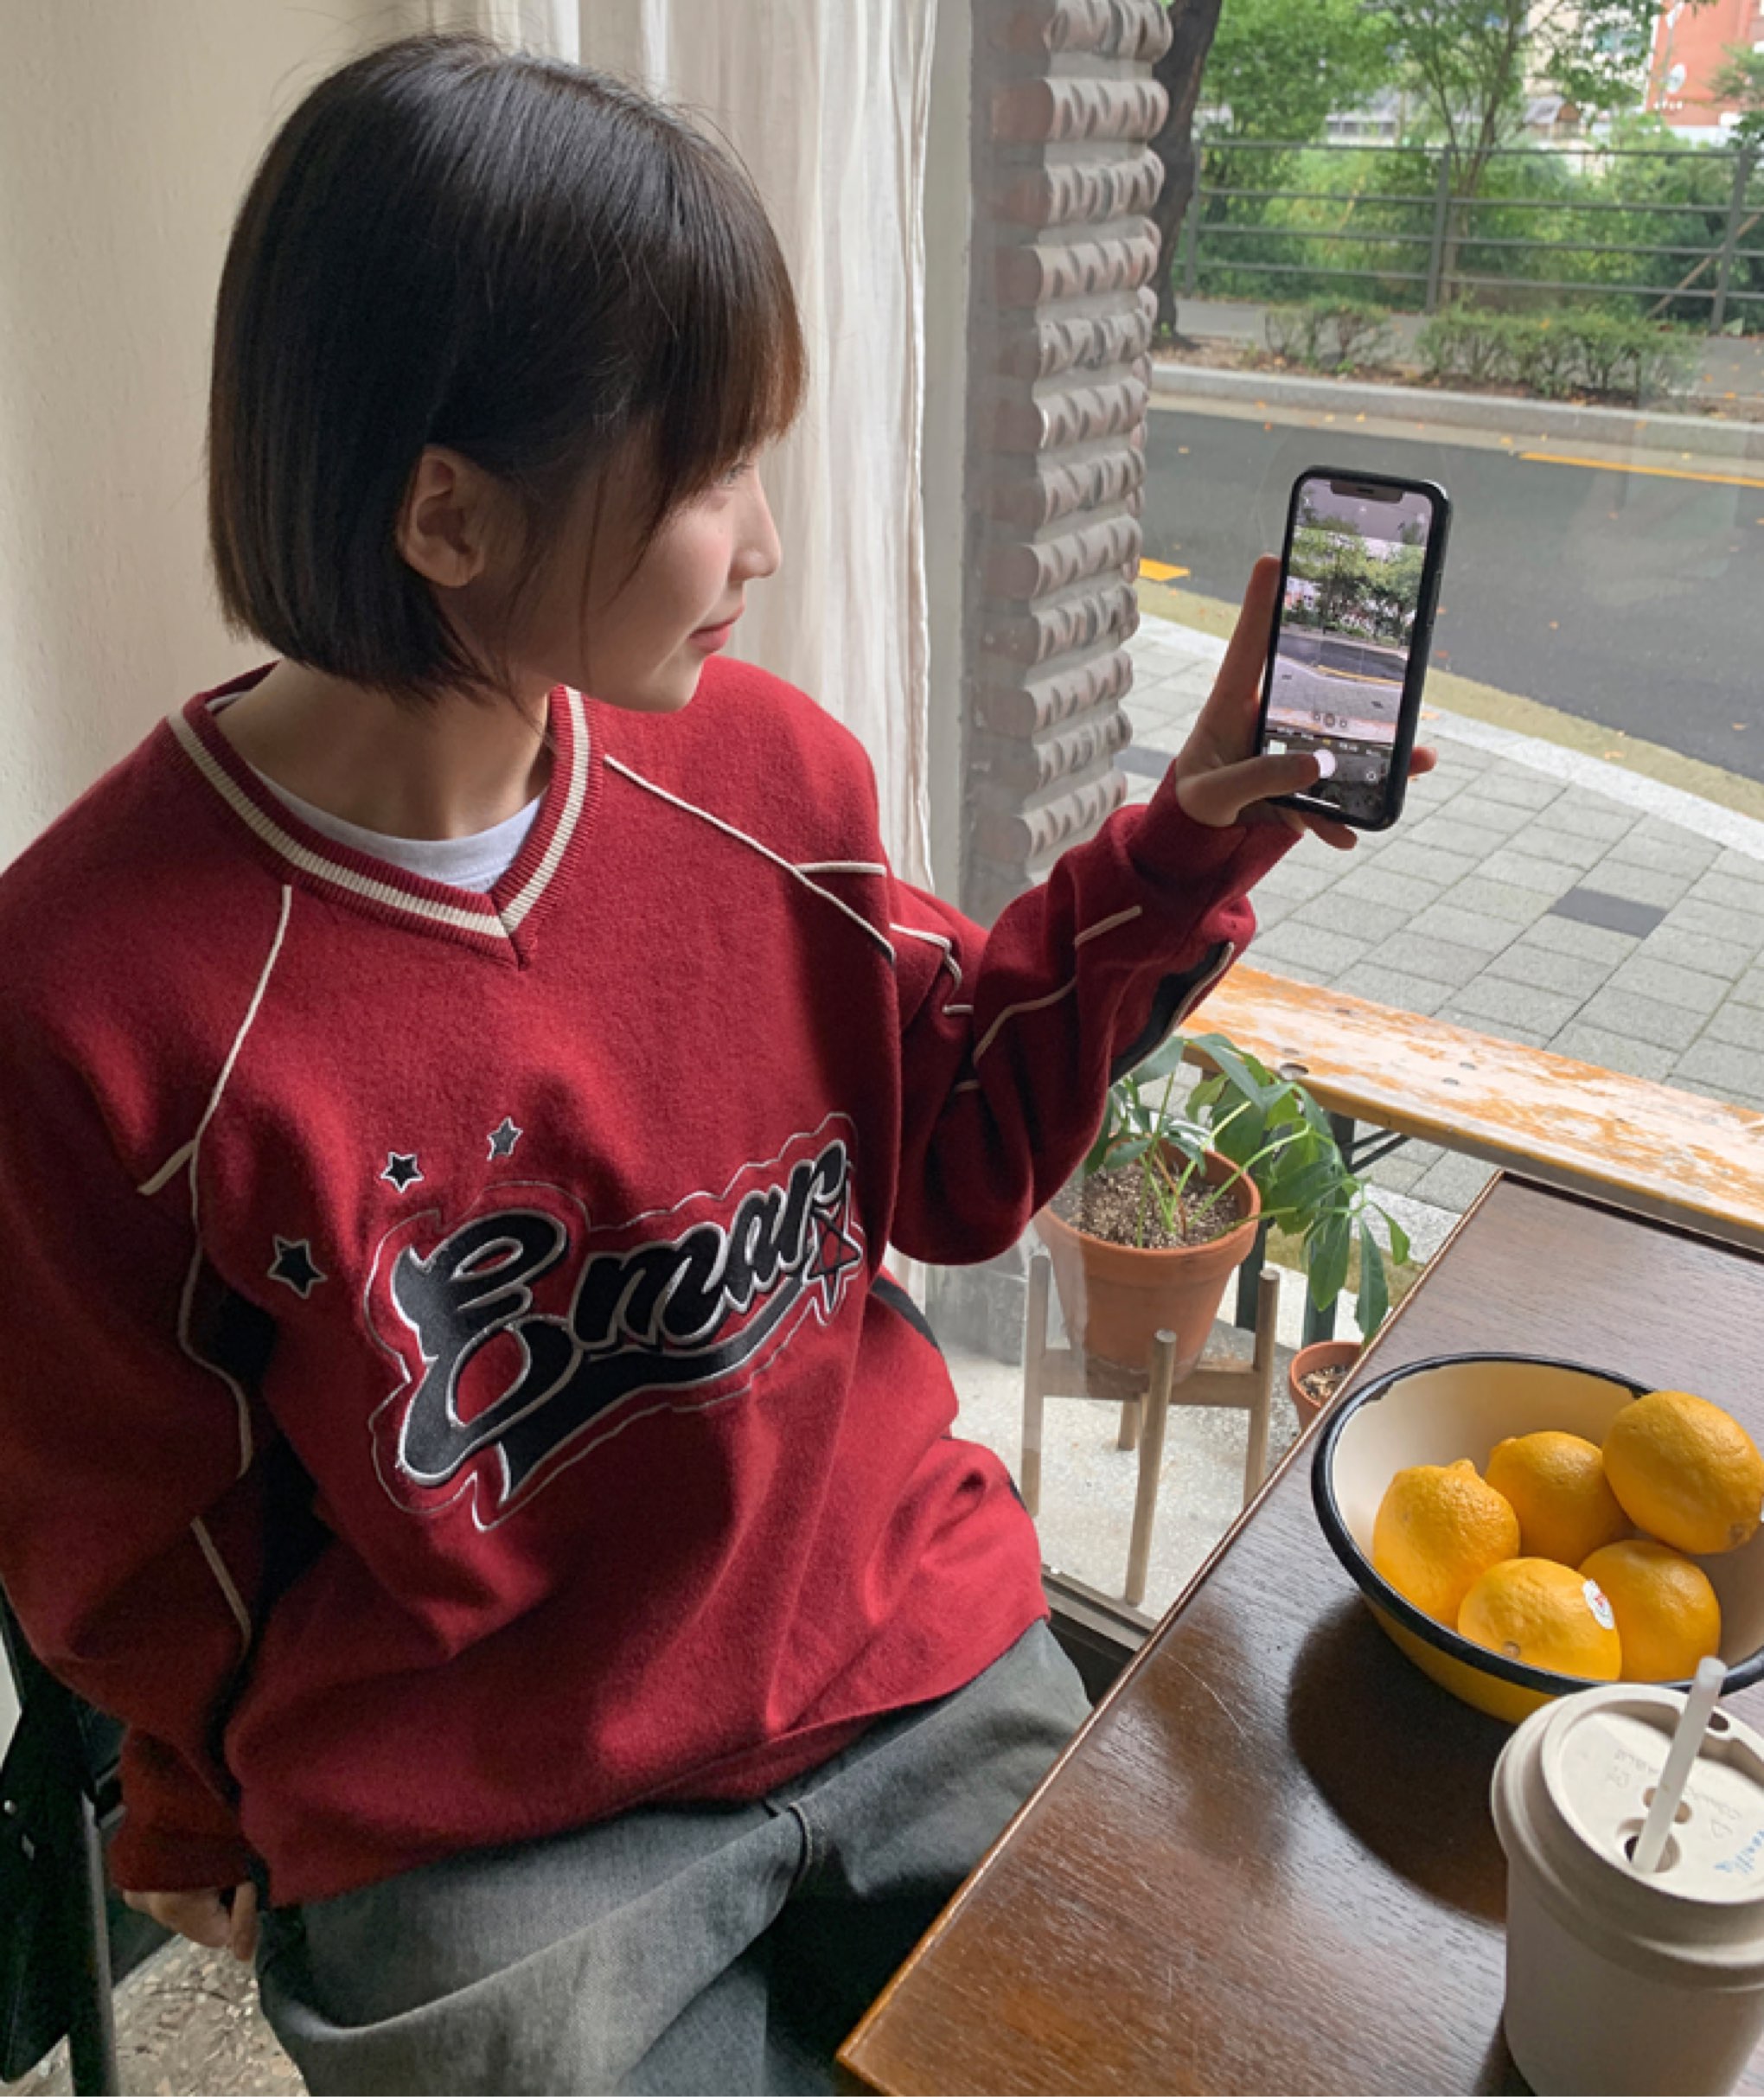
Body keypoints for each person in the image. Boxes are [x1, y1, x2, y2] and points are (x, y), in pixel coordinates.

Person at [0, 30, 1432, 2096]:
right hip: (487, 1813)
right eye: (710, 476)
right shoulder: (90, 990)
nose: (760, 544)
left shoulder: (770, 779)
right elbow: (130, 1506)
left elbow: (953, 1154)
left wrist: (1188, 843)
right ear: (447, 515)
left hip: (904, 1658)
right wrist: (194, 1795)